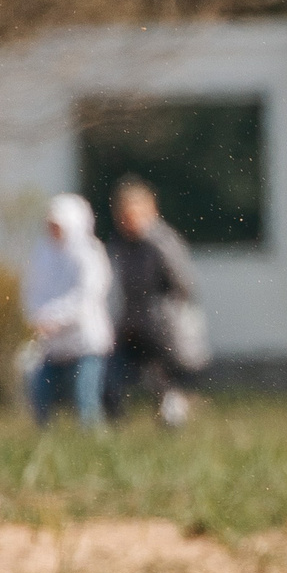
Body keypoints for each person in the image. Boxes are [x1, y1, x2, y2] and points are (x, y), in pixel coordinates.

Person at [106, 177, 201, 428]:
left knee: (167, 383)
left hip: (162, 325)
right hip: (131, 323)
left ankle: (172, 427)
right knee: (113, 377)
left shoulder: (162, 242)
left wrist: (165, 311)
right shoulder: (119, 244)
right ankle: (116, 427)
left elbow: (184, 284)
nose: (127, 222)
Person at [22, 193, 112, 429]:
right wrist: (38, 316)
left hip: (84, 340)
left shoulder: (89, 253)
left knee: (84, 396)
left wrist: (56, 317)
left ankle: (92, 441)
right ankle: (44, 439)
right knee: (40, 393)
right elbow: (33, 290)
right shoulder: (44, 252)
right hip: (51, 342)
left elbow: (87, 295)